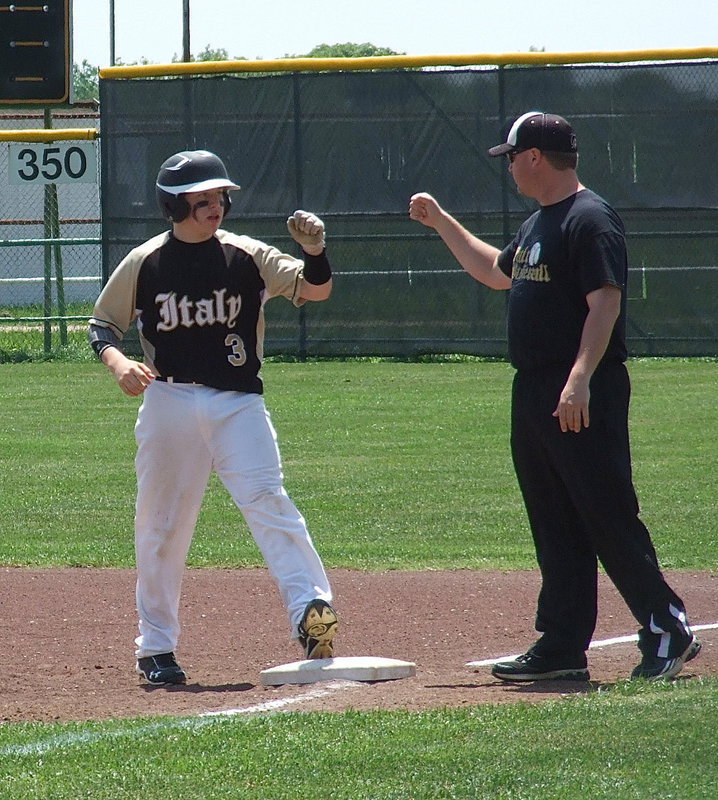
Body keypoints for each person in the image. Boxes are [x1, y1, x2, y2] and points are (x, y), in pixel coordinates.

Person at [409, 112, 701, 682]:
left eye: (512, 156)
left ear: (535, 157)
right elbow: (497, 273)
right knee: (555, 519)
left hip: (580, 390)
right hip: (537, 390)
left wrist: (578, 379)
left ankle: (667, 626)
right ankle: (564, 643)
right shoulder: (541, 222)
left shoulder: (590, 219)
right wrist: (442, 222)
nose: (510, 166)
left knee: (605, 513)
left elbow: (606, 303)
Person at [89, 149, 338, 685]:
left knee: (270, 502)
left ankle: (311, 613)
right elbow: (101, 325)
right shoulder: (146, 261)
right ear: (175, 204)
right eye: (202, 198)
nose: (215, 205)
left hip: (238, 402)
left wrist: (315, 251)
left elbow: (314, 288)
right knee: (161, 523)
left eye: (219, 196)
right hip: (169, 400)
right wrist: (118, 363)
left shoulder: (246, 255)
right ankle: (156, 648)